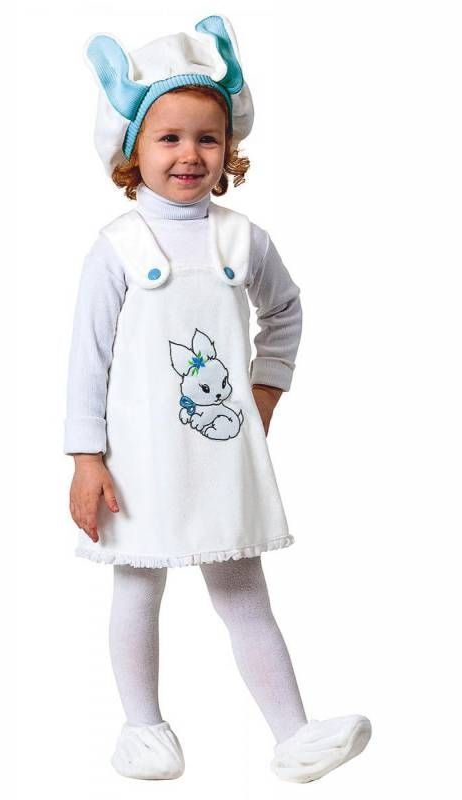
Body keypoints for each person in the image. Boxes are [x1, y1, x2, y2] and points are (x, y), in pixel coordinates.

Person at [63, 14, 372, 783]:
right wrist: (85, 457)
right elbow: (86, 359)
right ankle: (143, 730)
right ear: (132, 148)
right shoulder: (117, 248)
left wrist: (266, 387)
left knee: (243, 592)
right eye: (168, 137)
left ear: (228, 147)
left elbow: (285, 311)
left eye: (206, 137)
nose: (189, 154)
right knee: (137, 587)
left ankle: (294, 735)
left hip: (221, 458)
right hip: (136, 462)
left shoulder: (242, 240)